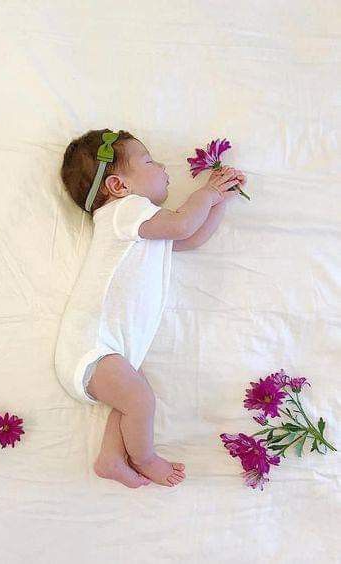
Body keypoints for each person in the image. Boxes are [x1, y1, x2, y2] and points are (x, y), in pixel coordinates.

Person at [54, 129, 247, 488]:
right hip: (92, 346)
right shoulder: (124, 212)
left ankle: (111, 458)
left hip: (108, 350)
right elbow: (182, 223)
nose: (160, 166)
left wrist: (221, 200)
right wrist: (207, 192)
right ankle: (145, 458)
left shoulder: (142, 225)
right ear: (118, 185)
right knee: (140, 399)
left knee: (132, 398)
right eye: (148, 160)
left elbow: (190, 237)